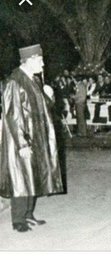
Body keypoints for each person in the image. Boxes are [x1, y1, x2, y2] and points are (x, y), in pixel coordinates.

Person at [0, 44, 64, 232]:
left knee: (31, 177)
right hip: (21, 141)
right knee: (21, 179)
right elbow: (13, 115)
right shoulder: (15, 81)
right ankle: (18, 219)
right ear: (29, 61)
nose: (43, 64)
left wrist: (49, 96)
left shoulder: (33, 80)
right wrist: (22, 144)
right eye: (40, 60)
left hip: (35, 138)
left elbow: (43, 109)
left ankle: (28, 214)